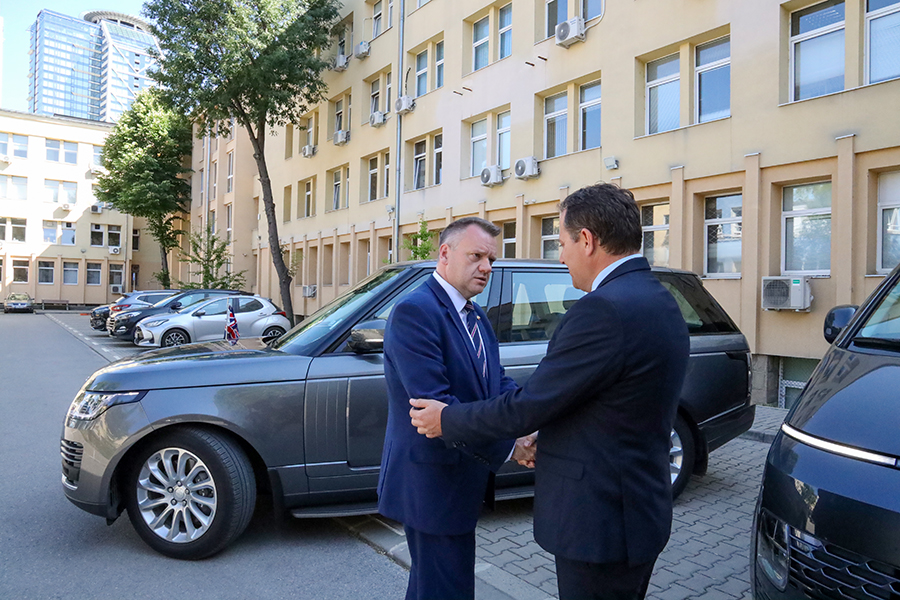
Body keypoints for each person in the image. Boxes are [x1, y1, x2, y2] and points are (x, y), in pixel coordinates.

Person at [409, 183, 690, 600]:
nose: (560, 257)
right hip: (636, 512)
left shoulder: (603, 309)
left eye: (561, 243)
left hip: (600, 523)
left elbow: (530, 404)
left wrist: (447, 419)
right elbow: (596, 402)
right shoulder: (659, 298)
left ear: (587, 241)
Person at [377, 217, 535, 600]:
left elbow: (496, 383)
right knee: (448, 589)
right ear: (445, 253)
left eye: (491, 259)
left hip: (460, 481)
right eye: (476, 256)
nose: (487, 267)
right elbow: (435, 404)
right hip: (432, 485)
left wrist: (527, 424)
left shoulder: (475, 314)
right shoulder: (415, 312)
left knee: (434, 588)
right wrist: (512, 446)